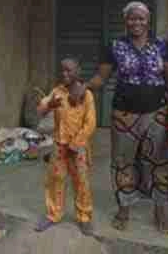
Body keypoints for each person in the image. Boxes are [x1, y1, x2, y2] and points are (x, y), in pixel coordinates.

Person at [87, 1, 168, 232]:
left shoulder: (162, 45)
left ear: (148, 20)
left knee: (160, 162)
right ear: (125, 21)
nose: (136, 22)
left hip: (157, 112)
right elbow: (101, 77)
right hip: (124, 115)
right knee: (122, 162)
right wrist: (82, 87)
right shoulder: (115, 45)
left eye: (141, 18)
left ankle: (160, 210)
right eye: (131, 18)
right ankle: (124, 208)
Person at [35, 58, 97, 236]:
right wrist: (49, 106)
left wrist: (76, 143)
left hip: (78, 148)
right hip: (59, 145)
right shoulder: (57, 91)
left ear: (78, 71)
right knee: (55, 180)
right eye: (62, 71)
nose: (65, 74)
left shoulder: (87, 95)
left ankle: (84, 217)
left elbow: (90, 123)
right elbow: (40, 110)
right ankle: (53, 214)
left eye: (69, 71)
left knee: (82, 182)